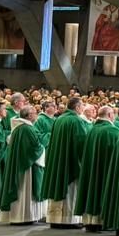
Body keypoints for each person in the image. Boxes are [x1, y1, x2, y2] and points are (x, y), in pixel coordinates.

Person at [41, 95, 88, 228]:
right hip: (69, 161)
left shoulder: (59, 119)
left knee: (58, 186)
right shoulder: (76, 121)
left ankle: (55, 219)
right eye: (82, 106)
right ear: (77, 107)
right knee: (70, 189)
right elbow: (81, 143)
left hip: (57, 159)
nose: (83, 108)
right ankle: (68, 220)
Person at [76, 106, 119, 231]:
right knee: (101, 189)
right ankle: (101, 221)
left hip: (91, 169)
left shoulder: (92, 129)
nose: (114, 116)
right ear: (108, 115)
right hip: (104, 170)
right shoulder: (113, 131)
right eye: (113, 113)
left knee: (92, 189)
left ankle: (90, 222)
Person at [0, 105, 46, 225]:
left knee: (21, 189)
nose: (36, 115)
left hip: (22, 164)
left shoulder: (19, 128)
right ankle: (24, 216)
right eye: (35, 112)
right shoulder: (27, 129)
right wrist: (43, 148)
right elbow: (34, 148)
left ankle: (20, 216)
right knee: (24, 189)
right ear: (29, 115)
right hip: (26, 167)